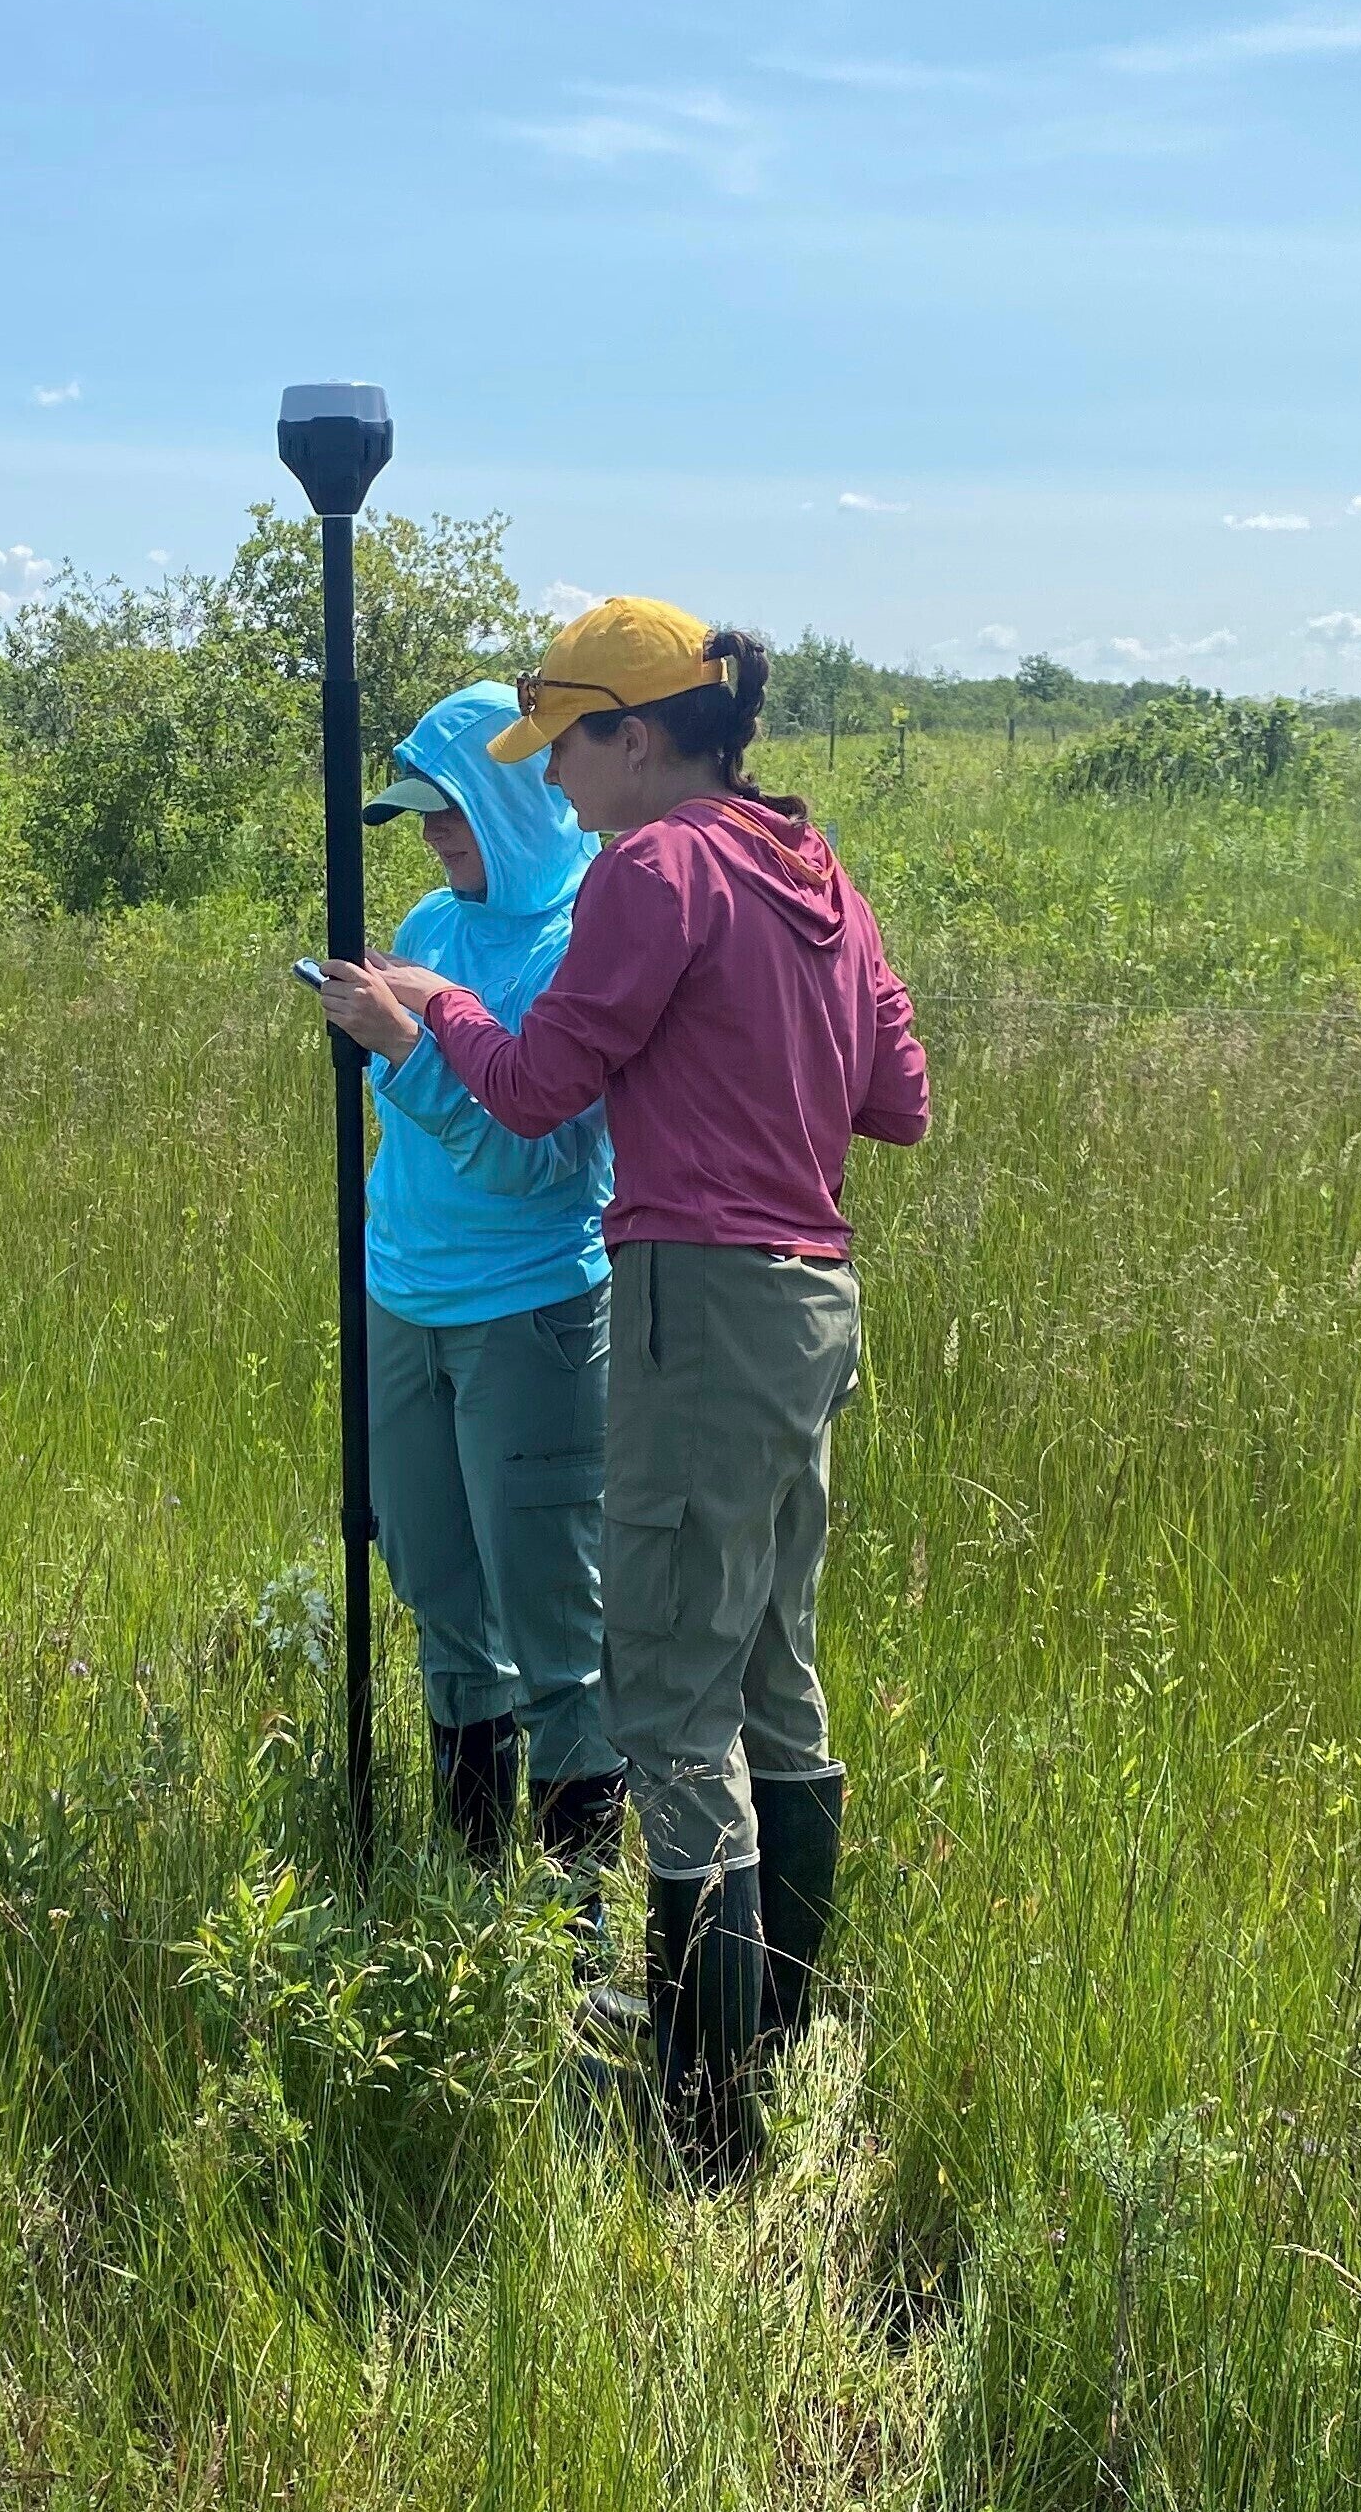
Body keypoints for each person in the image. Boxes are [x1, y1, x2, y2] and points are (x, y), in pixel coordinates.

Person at [320, 602, 929, 2181]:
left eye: (569, 746)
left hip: (692, 1301)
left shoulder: (658, 867)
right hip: (810, 1294)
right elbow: (896, 1098)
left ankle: (696, 2120)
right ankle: (776, 2038)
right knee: (771, 1673)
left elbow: (532, 1089)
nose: (560, 786)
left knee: (663, 1690)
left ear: (636, 732)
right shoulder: (812, 868)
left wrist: (436, 1012)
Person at [347, 681, 628, 1929]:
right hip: (402, 1298)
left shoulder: (583, 944)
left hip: (529, 1317)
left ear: (514, 801)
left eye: (448, 815)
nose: (430, 841)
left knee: (548, 1619)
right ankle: (466, 1898)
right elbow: (412, 1127)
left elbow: (542, 1160)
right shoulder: (425, 921)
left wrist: (402, 1052)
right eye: (418, 819)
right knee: (437, 1591)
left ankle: (574, 1933)